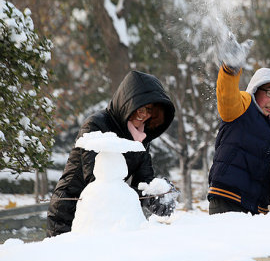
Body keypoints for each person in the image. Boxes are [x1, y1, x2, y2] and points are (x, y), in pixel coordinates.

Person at [47, 70, 176, 237]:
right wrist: (137, 195)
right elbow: (97, 180)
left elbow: (143, 181)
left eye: (149, 110)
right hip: (69, 209)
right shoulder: (96, 125)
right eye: (140, 109)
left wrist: (158, 194)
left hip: (105, 213)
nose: (144, 116)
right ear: (128, 103)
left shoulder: (140, 137)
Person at [207, 33, 270, 215]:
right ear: (256, 90)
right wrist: (231, 69)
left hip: (258, 209)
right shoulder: (242, 106)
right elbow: (227, 96)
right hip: (228, 198)